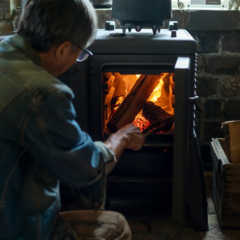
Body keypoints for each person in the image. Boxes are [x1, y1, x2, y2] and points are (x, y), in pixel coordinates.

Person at [0, 0, 145, 239]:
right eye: (80, 54)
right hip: (13, 226)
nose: (77, 60)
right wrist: (119, 139)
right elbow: (86, 169)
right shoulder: (42, 93)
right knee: (116, 227)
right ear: (62, 49)